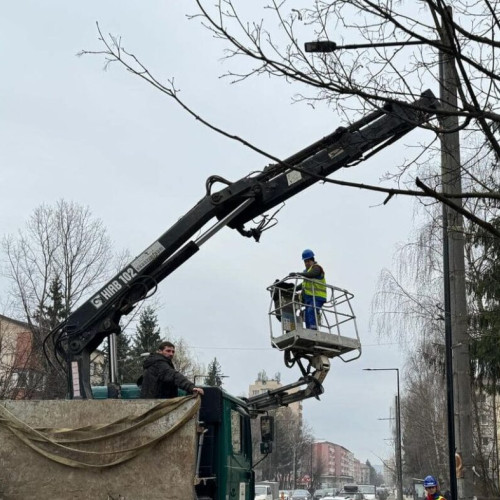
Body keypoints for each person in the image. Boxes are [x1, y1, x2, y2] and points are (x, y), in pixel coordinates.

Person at [139, 341, 204, 399]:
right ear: (160, 351)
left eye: (173, 352)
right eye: (168, 351)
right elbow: (173, 375)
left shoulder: (154, 362)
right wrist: (191, 387)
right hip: (157, 403)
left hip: (152, 401)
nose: (171, 354)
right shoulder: (159, 363)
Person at [291, 248, 327, 330]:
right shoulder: (306, 272)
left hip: (318, 297)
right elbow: (303, 285)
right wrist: (293, 289)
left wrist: (297, 274)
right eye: (305, 261)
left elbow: (311, 274)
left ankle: (313, 330)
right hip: (309, 299)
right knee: (306, 314)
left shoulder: (317, 268)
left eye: (308, 261)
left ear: (312, 260)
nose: (306, 263)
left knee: (311, 311)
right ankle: (309, 330)